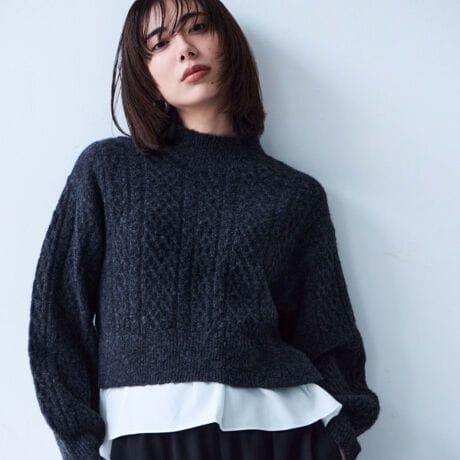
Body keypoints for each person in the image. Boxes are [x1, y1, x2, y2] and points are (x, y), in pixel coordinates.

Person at [27, 0, 380, 459]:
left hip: (281, 435)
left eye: (197, 27)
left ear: (227, 42)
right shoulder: (107, 171)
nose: (184, 49)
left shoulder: (295, 195)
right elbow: (58, 320)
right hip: (145, 435)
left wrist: (339, 442)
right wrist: (79, 447)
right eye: (159, 44)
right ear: (145, 73)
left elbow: (329, 336)